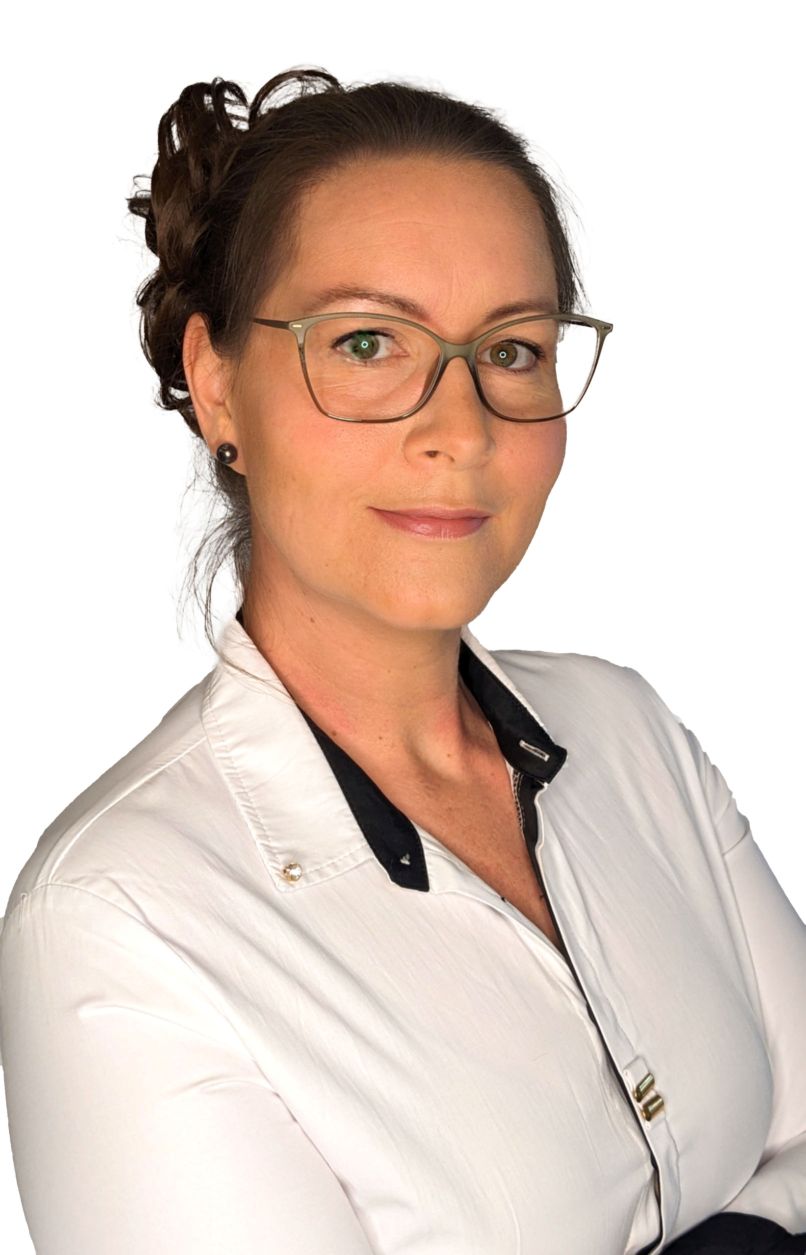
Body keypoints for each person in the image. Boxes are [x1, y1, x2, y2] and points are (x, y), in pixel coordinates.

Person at [0, 68, 803, 1255]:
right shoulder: (122, 919)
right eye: (368, 342)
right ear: (217, 384)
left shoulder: (627, 733)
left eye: (511, 350)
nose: (461, 428)